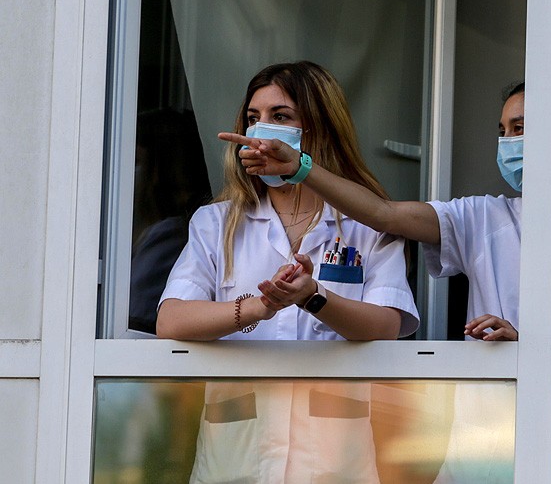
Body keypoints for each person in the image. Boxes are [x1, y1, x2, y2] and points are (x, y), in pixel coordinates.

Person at [223, 81, 551, 482]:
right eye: (503, 131)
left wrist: (539, 347)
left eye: (521, 128)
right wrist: (299, 167)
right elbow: (383, 215)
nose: (509, 143)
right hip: (477, 455)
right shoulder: (484, 217)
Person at [156, 61, 419, 484]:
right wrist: (260, 307)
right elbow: (171, 320)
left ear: (319, 128)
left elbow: (387, 324)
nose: (261, 130)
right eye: (253, 118)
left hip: (334, 462)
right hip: (237, 459)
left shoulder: (367, 225)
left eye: (280, 117)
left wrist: (313, 297)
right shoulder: (217, 223)